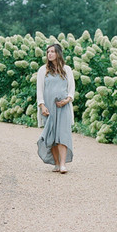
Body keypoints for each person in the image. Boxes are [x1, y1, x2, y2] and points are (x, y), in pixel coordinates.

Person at [36, 43, 75, 173]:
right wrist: (42, 105)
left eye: (52, 51)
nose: (50, 54)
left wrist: (67, 100)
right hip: (48, 107)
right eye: (48, 52)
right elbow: (39, 90)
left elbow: (71, 89)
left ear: (58, 53)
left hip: (63, 107)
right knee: (51, 135)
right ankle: (57, 164)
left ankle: (63, 164)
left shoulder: (67, 69)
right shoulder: (43, 70)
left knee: (63, 134)